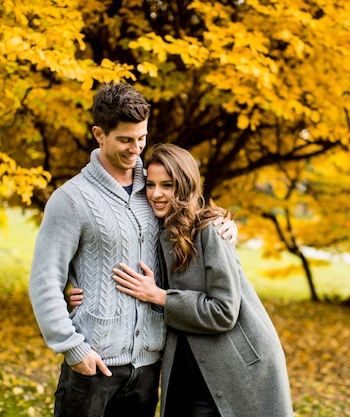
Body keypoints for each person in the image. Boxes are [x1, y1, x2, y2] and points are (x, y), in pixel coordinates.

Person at [28, 82, 236, 417]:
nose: (135, 148)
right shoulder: (71, 199)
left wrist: (227, 227)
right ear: (99, 134)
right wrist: (73, 348)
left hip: (148, 368)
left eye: (141, 138)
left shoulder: (154, 189)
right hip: (93, 364)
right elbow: (44, 282)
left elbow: (193, 222)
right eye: (125, 139)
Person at [110, 143, 294, 417]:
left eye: (167, 185)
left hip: (234, 369)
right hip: (185, 365)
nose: (157, 194)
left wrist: (160, 297)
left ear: (184, 186)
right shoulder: (156, 229)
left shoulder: (210, 231)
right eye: (150, 185)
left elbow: (224, 312)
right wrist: (80, 291)